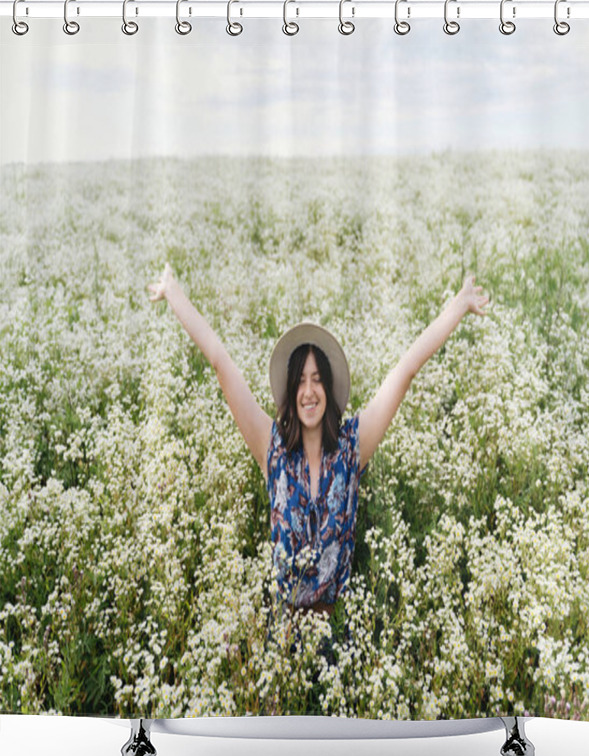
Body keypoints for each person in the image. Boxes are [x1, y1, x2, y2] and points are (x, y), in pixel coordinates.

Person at [147, 263, 489, 621]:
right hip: (281, 638)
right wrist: (174, 292)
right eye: (300, 382)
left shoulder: (351, 446)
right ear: (291, 390)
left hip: (336, 637)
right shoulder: (272, 447)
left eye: (317, 380)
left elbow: (406, 370)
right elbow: (220, 360)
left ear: (328, 387)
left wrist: (459, 305)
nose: (308, 392)